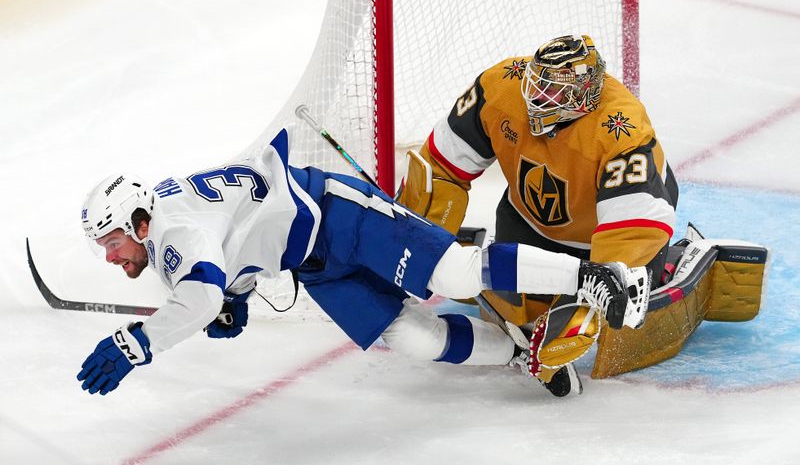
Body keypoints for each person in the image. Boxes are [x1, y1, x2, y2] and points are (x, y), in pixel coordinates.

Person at [76, 129, 650, 398]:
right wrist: (238, 298)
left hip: (338, 214)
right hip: (315, 264)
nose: (110, 254)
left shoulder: (174, 232)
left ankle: (593, 277)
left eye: (112, 239)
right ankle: (521, 352)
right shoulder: (166, 224)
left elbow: (198, 293)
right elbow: (235, 242)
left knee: (453, 272)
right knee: (412, 338)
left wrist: (137, 345)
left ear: (140, 221)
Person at [397, 34, 678, 392]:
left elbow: (630, 231)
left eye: (553, 91)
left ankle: (667, 265)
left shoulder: (622, 131)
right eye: (537, 83)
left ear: (583, 95)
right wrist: (422, 236)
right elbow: (441, 166)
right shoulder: (502, 87)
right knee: (516, 307)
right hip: (527, 219)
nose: (536, 98)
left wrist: (597, 296)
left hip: (614, 230)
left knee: (617, 312)